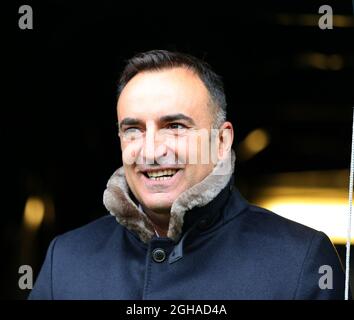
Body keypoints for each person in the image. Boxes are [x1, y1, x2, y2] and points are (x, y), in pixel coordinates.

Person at [29, 50, 348, 299]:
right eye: (134, 130)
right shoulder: (67, 260)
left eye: (175, 127)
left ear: (221, 141)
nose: (151, 151)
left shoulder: (299, 260)